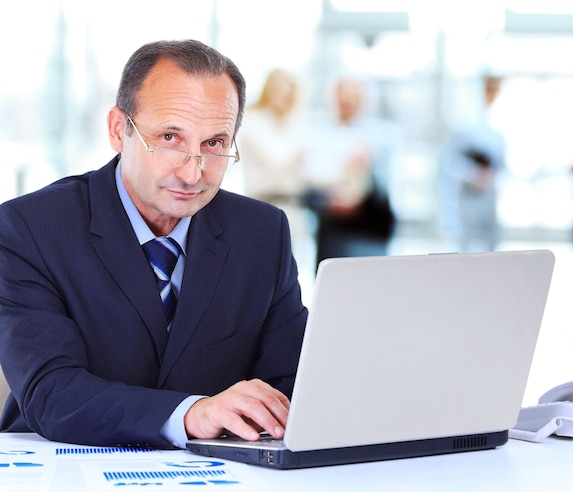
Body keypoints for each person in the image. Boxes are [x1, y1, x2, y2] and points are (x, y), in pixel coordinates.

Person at [0, 40, 307, 449]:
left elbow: (294, 385)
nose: (192, 171)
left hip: (223, 474)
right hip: (62, 467)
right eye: (170, 137)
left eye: (214, 143)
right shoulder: (30, 229)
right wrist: (192, 413)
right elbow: (52, 392)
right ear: (117, 129)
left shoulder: (262, 233)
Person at [305, 76, 396, 267]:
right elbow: (309, 182)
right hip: (332, 227)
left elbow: (388, 186)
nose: (346, 103)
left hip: (367, 229)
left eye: (352, 98)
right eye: (342, 98)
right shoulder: (319, 136)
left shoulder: (380, 137)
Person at [237, 68, 313, 271]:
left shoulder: (290, 123)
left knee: (286, 275)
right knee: (262, 272)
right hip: (264, 203)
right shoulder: (254, 120)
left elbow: (306, 168)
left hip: (293, 206)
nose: (284, 97)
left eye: (289, 93)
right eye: (279, 90)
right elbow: (278, 158)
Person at [440, 76, 506, 252]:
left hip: (488, 201)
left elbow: (501, 167)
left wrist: (489, 177)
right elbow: (450, 165)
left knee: (489, 248)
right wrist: (472, 175)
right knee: (465, 248)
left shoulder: (496, 134)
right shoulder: (463, 130)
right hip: (466, 202)